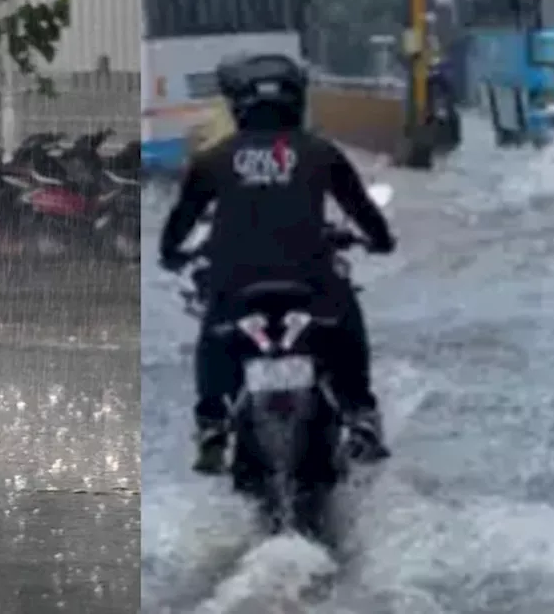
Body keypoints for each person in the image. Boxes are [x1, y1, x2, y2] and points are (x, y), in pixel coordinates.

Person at [158, 53, 397, 474]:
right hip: (313, 286)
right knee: (346, 324)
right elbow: (363, 212)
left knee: (215, 335)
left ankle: (212, 424)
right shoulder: (321, 153)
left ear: (237, 105)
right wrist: (379, 242)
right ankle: (362, 417)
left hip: (234, 287)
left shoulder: (213, 159)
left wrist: (172, 255)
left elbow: (179, 224)